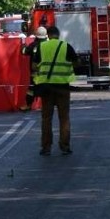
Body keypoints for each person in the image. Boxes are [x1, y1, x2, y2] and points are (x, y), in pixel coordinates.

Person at [33, 25, 77, 156]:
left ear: (48, 35)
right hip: (63, 87)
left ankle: (46, 147)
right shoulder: (66, 46)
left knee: (46, 118)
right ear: (58, 35)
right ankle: (65, 146)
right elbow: (76, 62)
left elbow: (34, 65)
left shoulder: (42, 47)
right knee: (64, 118)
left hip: (46, 88)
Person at [19, 26, 48, 111]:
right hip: (47, 72)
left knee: (31, 90)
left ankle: (28, 105)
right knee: (46, 89)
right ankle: (46, 105)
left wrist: (23, 44)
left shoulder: (34, 45)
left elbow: (24, 51)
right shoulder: (49, 44)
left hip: (35, 72)